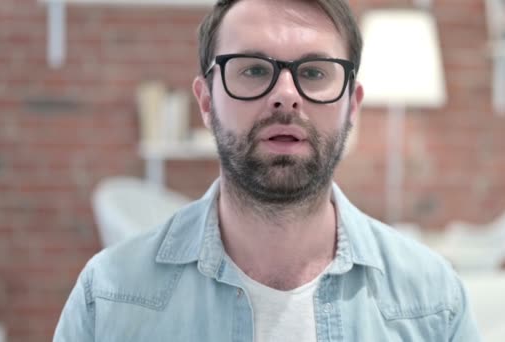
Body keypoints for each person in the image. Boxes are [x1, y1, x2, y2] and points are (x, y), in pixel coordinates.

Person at [54, 0, 481, 341]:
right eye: (254, 70)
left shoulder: (433, 299)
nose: (286, 96)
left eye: (314, 72)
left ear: (352, 104)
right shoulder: (108, 297)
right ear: (206, 101)